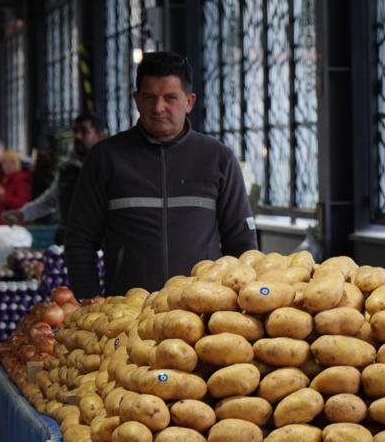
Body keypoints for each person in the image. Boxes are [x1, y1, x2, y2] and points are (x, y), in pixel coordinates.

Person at [64, 51, 258, 298]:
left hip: (200, 316)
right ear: (136, 100)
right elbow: (80, 240)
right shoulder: (106, 158)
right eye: (149, 97)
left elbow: (242, 243)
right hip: (126, 314)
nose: (158, 108)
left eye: (170, 98)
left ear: (189, 102)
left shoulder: (218, 158)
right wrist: (88, 301)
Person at [3, 113, 106, 244]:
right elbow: (50, 200)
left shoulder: (111, 167)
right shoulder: (68, 170)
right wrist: (23, 213)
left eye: (84, 131)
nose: (78, 136)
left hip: (102, 243)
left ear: (100, 136)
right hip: (71, 241)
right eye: (76, 131)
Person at [0, 150, 32, 226]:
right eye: (4, 162)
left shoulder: (22, 181)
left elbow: (23, 204)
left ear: (18, 164)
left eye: (12, 162)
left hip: (12, 225)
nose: (7, 165)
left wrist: (4, 196)